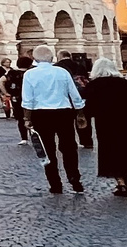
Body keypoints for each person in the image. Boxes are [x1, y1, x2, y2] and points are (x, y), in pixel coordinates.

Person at [21, 44, 85, 195]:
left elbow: (27, 99)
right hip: (63, 112)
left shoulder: (30, 75)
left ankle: (55, 183)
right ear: (52, 58)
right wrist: (80, 113)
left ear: (34, 58)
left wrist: (27, 118)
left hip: (41, 114)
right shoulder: (62, 72)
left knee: (47, 149)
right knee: (69, 147)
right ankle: (74, 177)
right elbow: (74, 94)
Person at [84, 59, 127, 197]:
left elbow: (89, 108)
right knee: (126, 149)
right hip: (126, 122)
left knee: (110, 150)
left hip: (106, 123)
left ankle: (120, 181)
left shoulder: (94, 85)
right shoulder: (125, 84)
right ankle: (124, 179)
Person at [4, 57, 33, 143]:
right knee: (33, 116)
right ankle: (35, 135)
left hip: (16, 97)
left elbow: (0, 81)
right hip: (31, 97)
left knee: (20, 118)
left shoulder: (12, 73)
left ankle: (24, 138)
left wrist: (6, 93)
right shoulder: (31, 72)